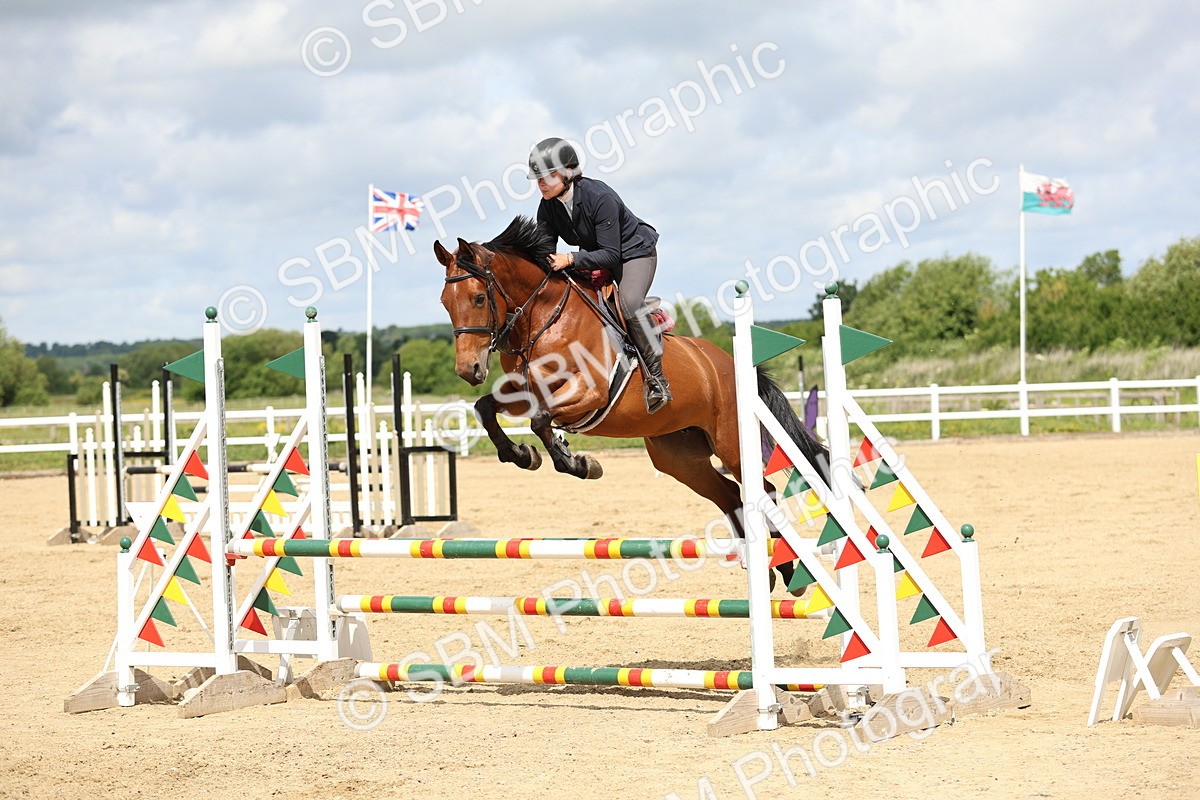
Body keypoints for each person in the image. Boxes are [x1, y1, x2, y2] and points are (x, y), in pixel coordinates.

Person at [527, 136, 672, 413]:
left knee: (629, 304)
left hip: (633, 253)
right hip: (595, 256)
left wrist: (570, 258)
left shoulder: (599, 196)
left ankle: (657, 380)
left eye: (547, 176)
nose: (541, 183)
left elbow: (612, 254)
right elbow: (545, 253)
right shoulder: (547, 206)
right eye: (537, 178)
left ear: (568, 173)